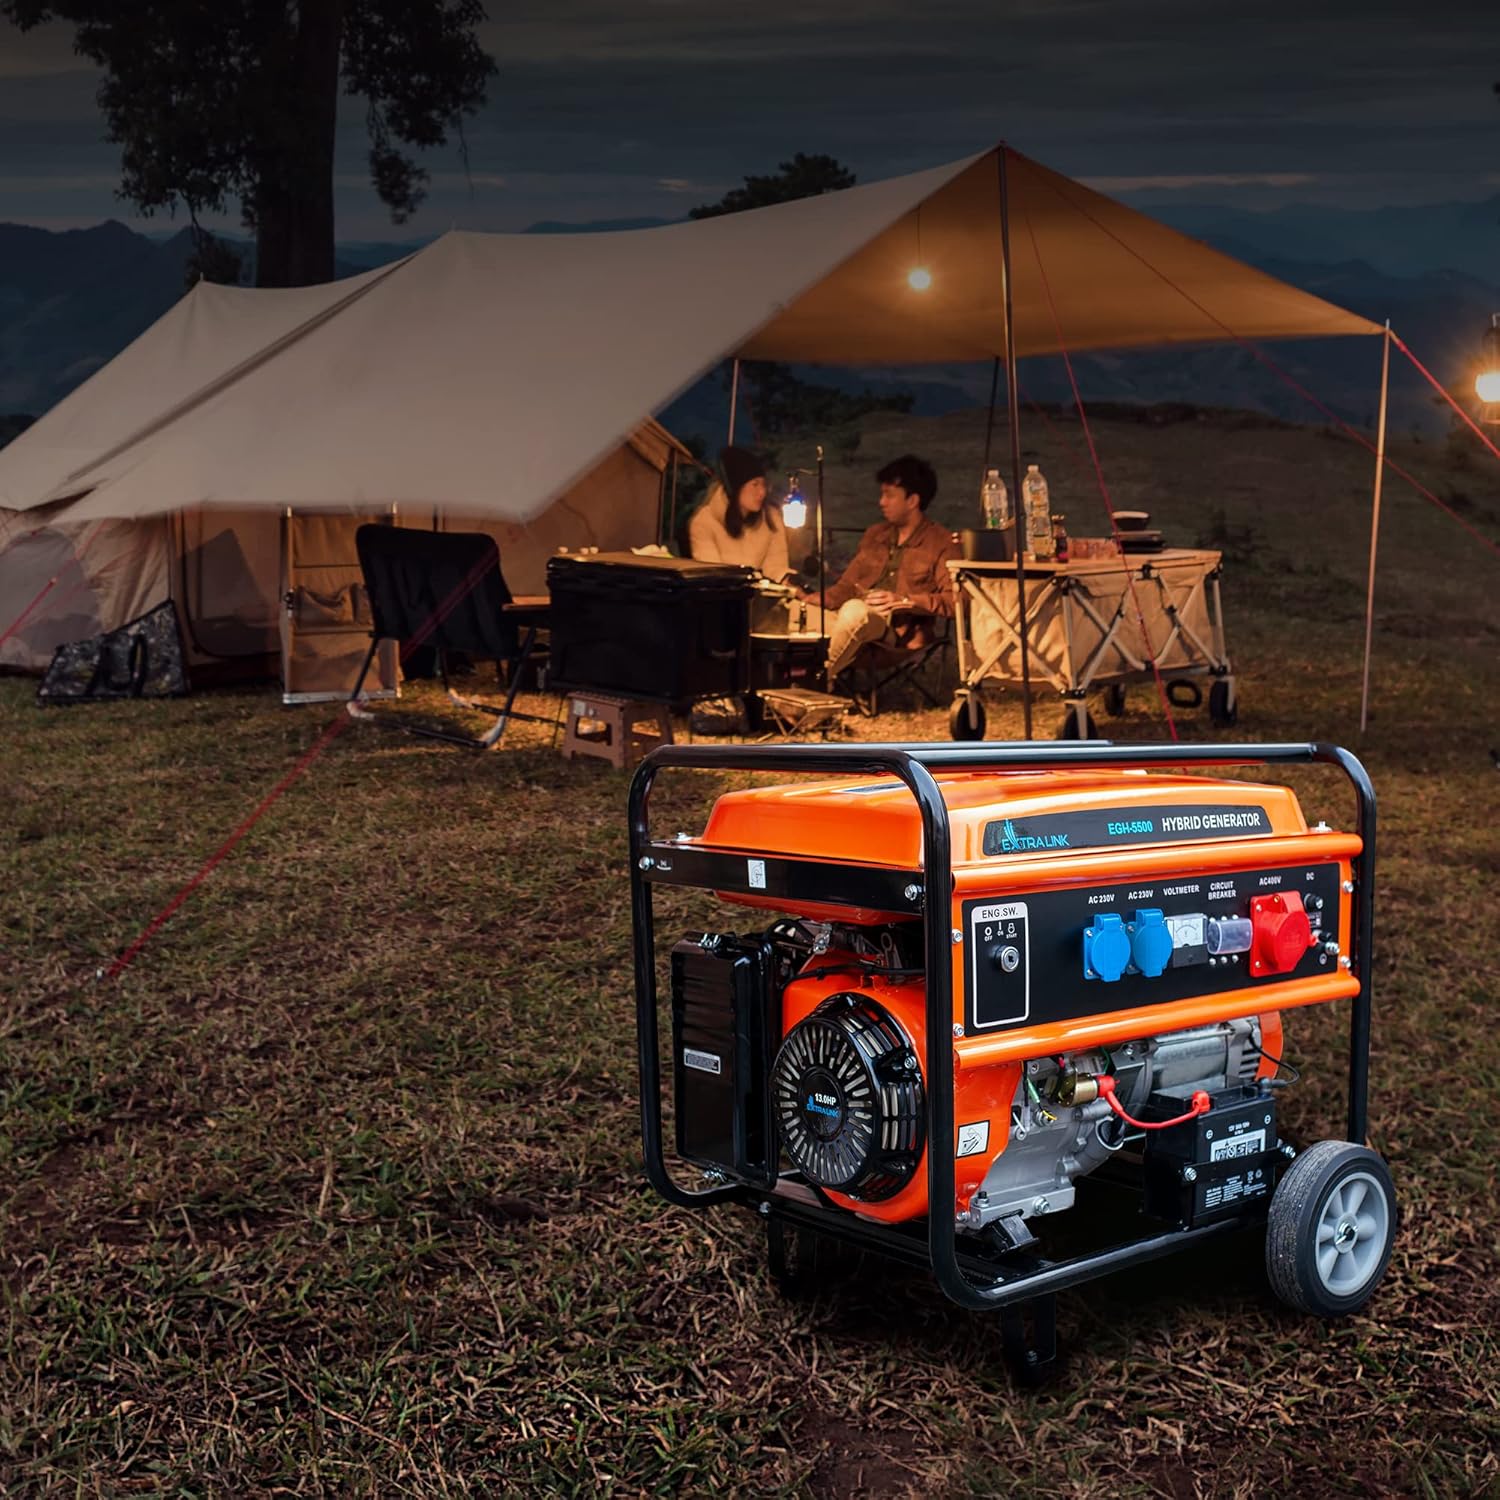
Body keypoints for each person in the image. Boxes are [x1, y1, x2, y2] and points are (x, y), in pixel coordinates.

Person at [811, 454, 957, 679]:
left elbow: (956, 601)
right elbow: (846, 586)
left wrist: (905, 601)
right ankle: (787, 686)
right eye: (882, 494)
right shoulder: (875, 535)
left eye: (889, 495)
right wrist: (815, 600)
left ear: (912, 501)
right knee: (788, 610)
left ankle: (818, 681)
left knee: (855, 611)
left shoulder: (940, 542)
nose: (882, 502)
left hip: (895, 634)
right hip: (848, 621)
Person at [687, 445, 792, 582]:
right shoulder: (705, 522)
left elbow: (776, 568)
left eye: (763, 484)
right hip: (722, 593)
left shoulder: (771, 518)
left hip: (756, 592)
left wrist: (795, 586)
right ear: (735, 487)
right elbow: (712, 576)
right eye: (755, 484)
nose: (762, 492)